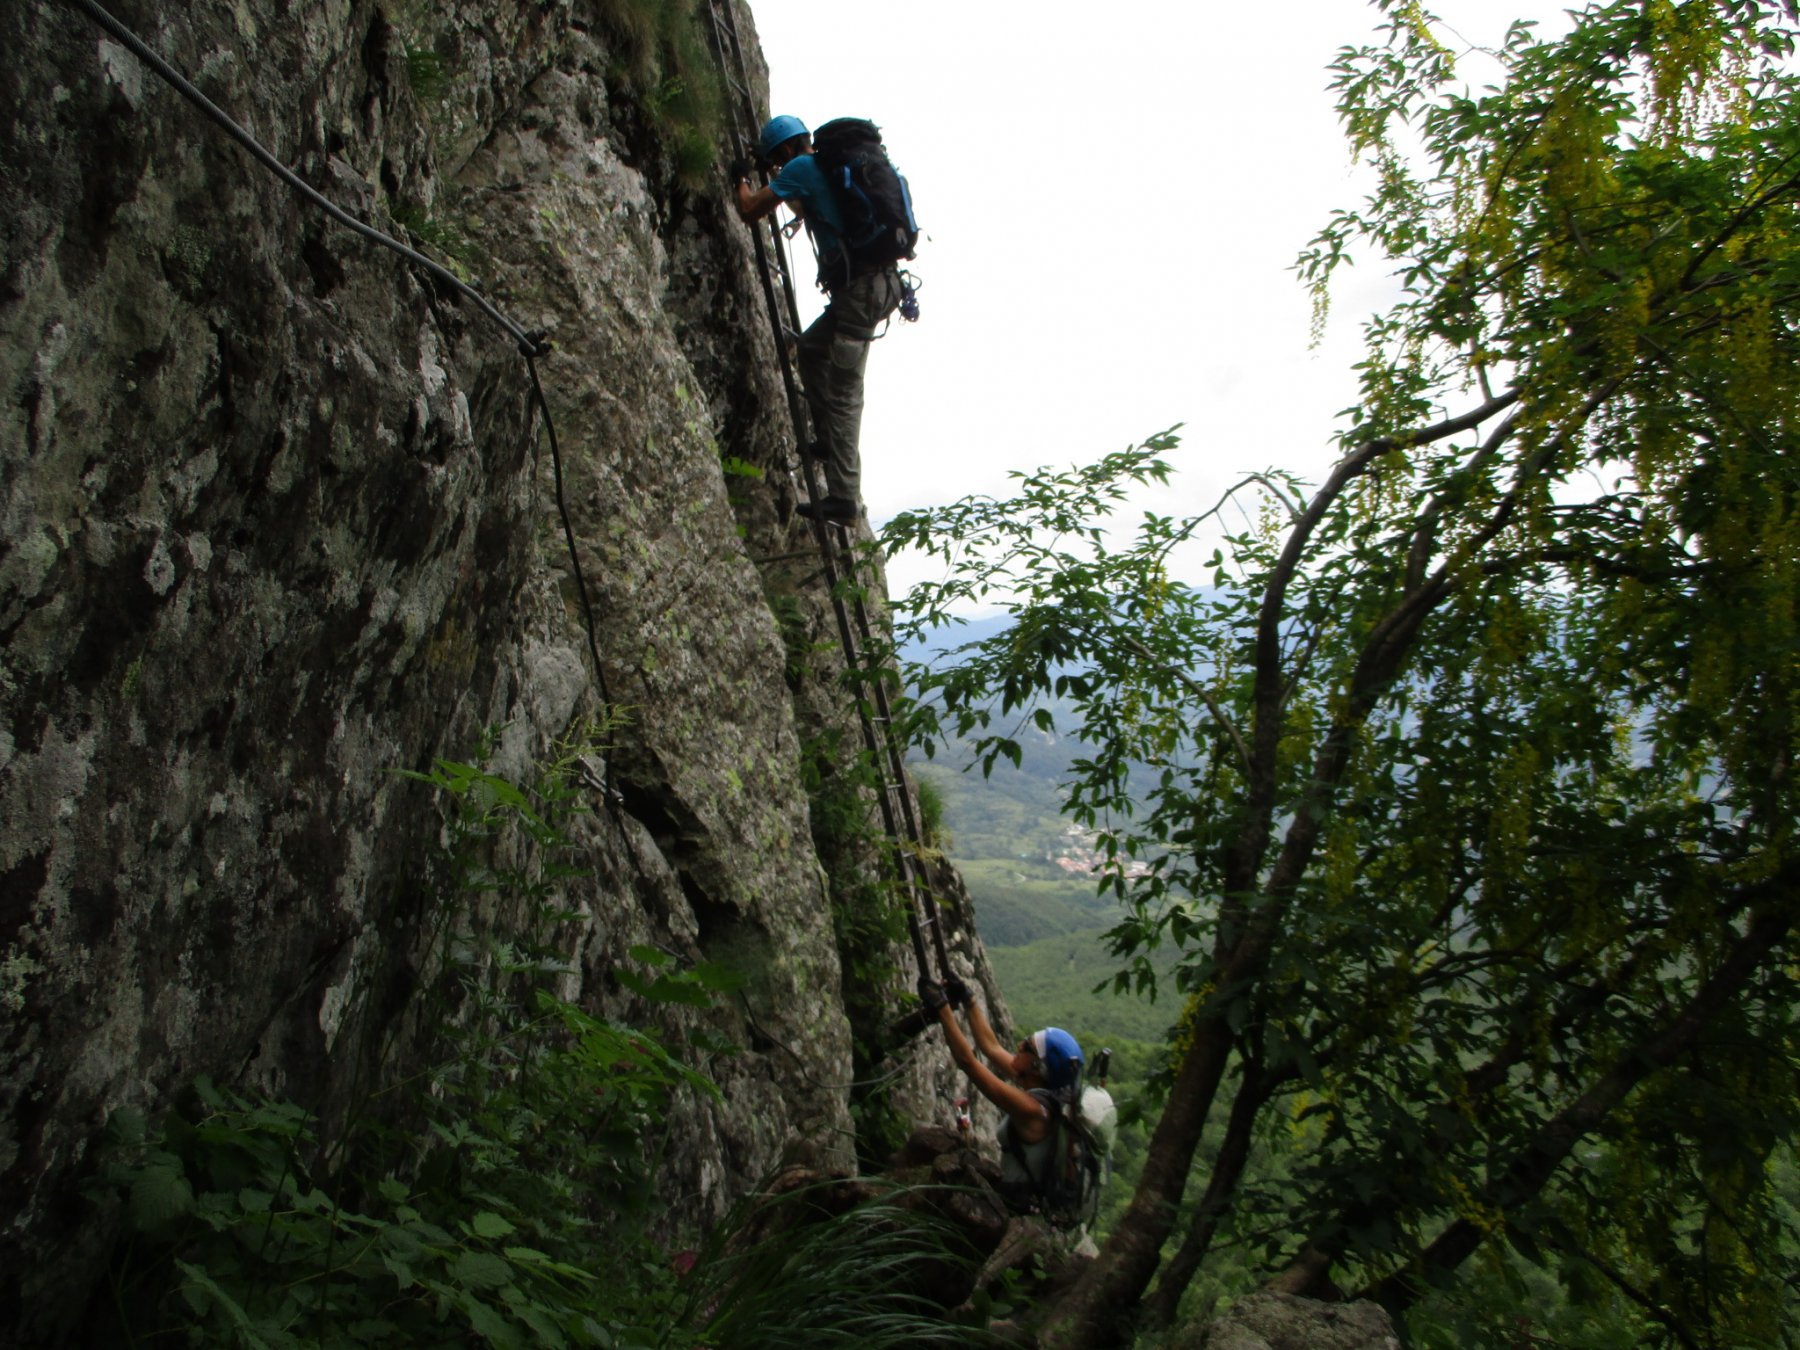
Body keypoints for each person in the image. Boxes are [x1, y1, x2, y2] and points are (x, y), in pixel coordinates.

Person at [732, 114, 904, 526]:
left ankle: (844, 499)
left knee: (845, 395)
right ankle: (828, 441)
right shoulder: (821, 169)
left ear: (785, 150)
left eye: (777, 159)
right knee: (809, 349)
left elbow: (751, 209)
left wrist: (741, 178)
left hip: (859, 293)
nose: (778, 167)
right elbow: (801, 202)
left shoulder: (801, 168)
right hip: (872, 287)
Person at [919, 976, 1103, 1209]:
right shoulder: (1044, 1087)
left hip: (1018, 1208)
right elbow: (992, 1048)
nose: (1018, 1046)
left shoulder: (1032, 1110)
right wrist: (969, 999)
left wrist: (942, 1008)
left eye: (1026, 1046)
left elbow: (968, 1063)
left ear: (1038, 1067)